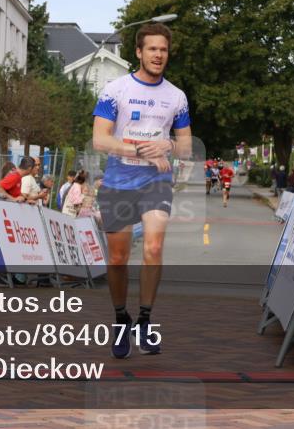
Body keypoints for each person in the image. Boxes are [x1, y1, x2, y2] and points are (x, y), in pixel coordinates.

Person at [92, 22, 192, 358]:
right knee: (118, 258)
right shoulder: (114, 90)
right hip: (119, 181)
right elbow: (100, 139)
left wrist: (166, 145)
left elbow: (186, 148)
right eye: (152, 49)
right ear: (138, 52)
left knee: (152, 246)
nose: (158, 55)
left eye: (163, 50)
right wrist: (138, 150)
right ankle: (121, 317)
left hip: (156, 181)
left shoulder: (176, 97)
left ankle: (145, 320)